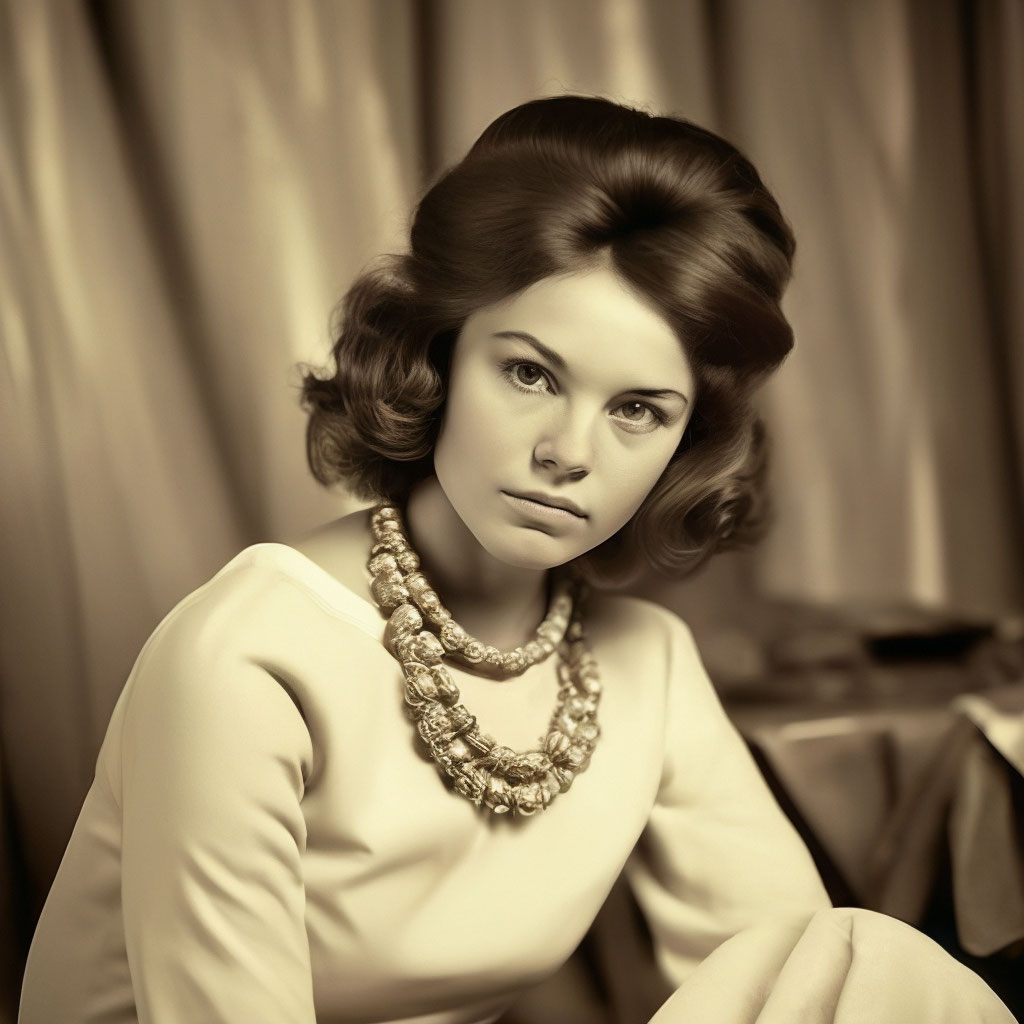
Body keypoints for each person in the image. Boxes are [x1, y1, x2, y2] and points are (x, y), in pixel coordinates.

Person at [18, 96, 1015, 1023]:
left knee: (873, 962)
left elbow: (808, 977)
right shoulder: (247, 657)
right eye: (531, 373)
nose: (570, 453)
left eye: (638, 409)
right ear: (437, 355)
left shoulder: (646, 665)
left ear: (687, 442)